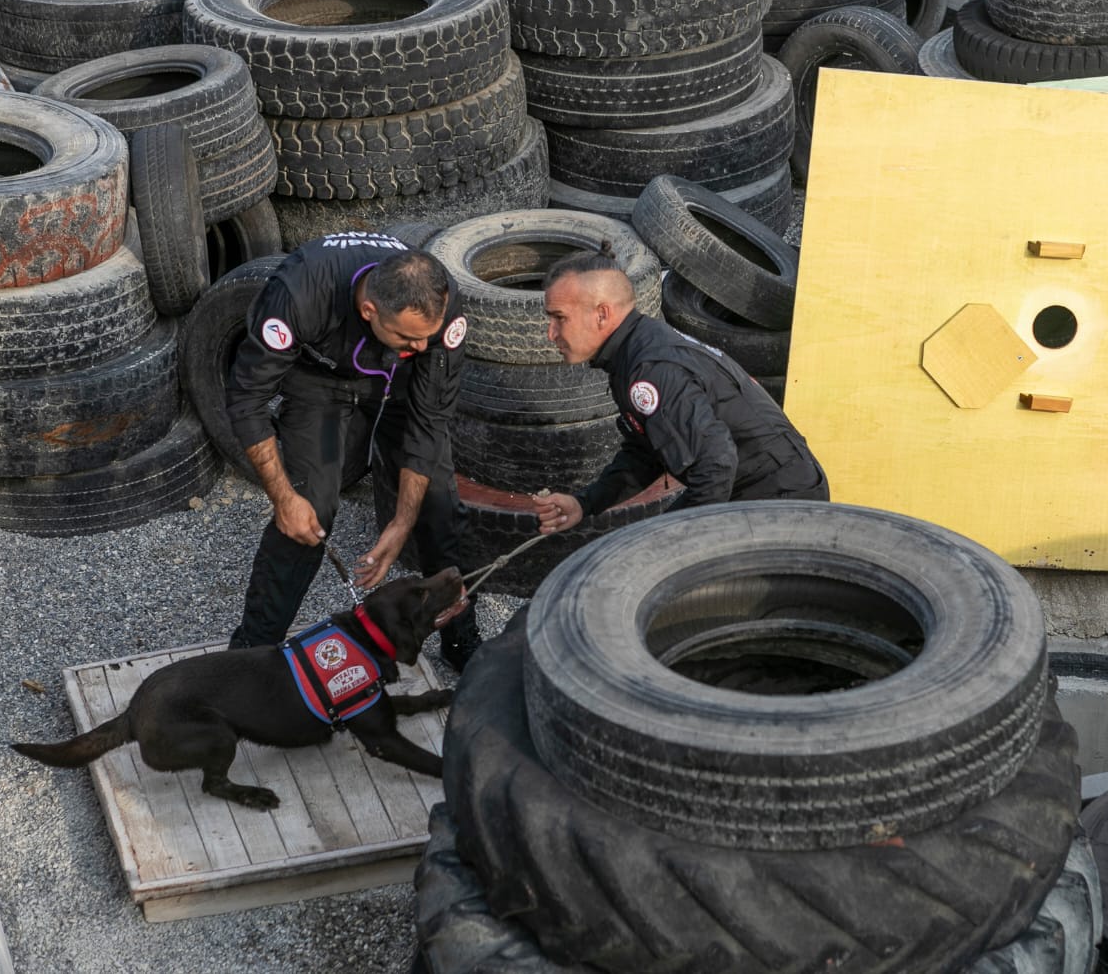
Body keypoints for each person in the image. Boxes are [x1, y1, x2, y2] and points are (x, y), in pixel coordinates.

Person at [223, 230, 481, 670]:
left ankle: (462, 642)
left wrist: (402, 523)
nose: (422, 346)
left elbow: (430, 419)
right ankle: (251, 653)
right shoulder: (298, 293)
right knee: (310, 511)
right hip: (321, 377)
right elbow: (246, 399)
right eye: (409, 336)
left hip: (400, 381)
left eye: (427, 337)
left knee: (439, 510)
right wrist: (284, 499)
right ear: (369, 310)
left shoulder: (439, 309)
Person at [531, 244, 828, 533]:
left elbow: (716, 464)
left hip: (781, 498)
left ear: (602, 314)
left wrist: (683, 541)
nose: (550, 333)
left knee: (650, 557)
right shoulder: (635, 349)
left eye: (559, 318)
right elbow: (647, 451)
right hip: (753, 486)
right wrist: (585, 503)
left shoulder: (653, 369)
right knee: (646, 545)